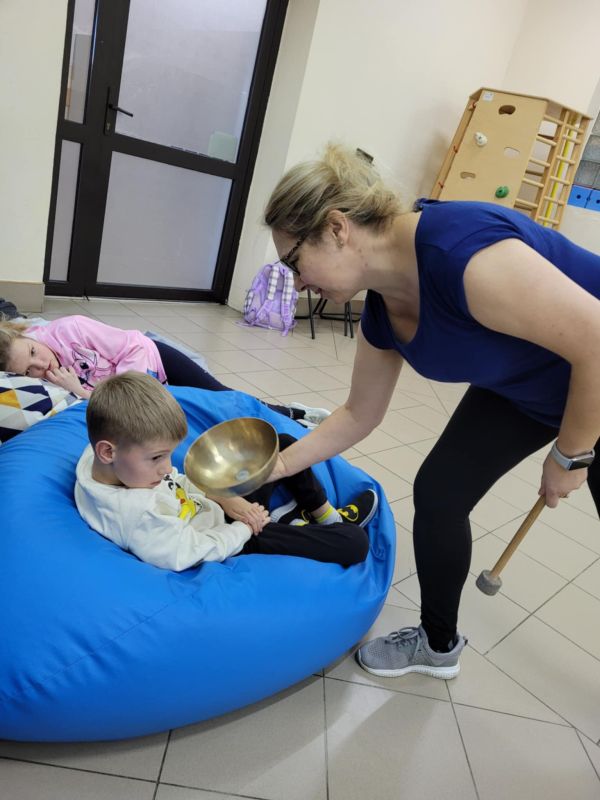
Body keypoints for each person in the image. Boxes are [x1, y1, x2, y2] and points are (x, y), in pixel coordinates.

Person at [262, 142, 600, 680]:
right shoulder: (381, 306)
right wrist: (277, 467)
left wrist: (571, 455)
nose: (298, 282)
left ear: (336, 228)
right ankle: (438, 643)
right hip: (528, 386)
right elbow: (359, 414)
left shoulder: (461, 253)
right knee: (440, 493)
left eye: (294, 262)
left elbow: (596, 343)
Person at [74, 371, 378, 571]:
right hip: (227, 538)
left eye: (167, 455)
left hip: (217, 510)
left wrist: (224, 497)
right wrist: (245, 526)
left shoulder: (103, 461)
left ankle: (325, 516)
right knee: (354, 542)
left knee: (282, 444)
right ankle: (303, 525)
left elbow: (176, 483)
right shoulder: (137, 514)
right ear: (108, 452)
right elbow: (191, 551)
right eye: (156, 457)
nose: (167, 468)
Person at [0, 315, 328, 427]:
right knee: (212, 415)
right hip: (141, 393)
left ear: (27, 335)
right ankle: (287, 417)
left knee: (226, 399)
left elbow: (133, 347)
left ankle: (294, 414)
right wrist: (80, 390)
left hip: (155, 360)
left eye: (33, 352)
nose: (41, 365)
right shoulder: (50, 382)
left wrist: (111, 391)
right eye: (30, 370)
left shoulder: (71, 329)